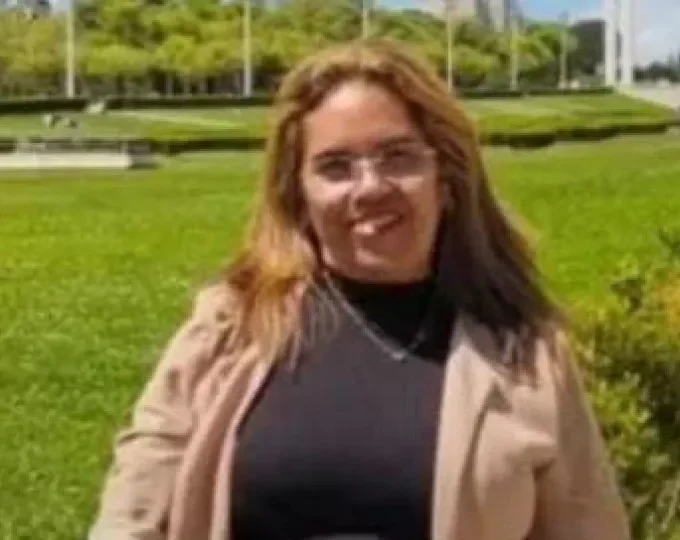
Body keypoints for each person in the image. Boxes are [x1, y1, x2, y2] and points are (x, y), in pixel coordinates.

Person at [89, 38, 629, 540]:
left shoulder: (527, 353)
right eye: (335, 167)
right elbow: (135, 507)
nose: (370, 187)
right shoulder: (229, 325)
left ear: (445, 179)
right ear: (299, 194)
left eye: (398, 156)